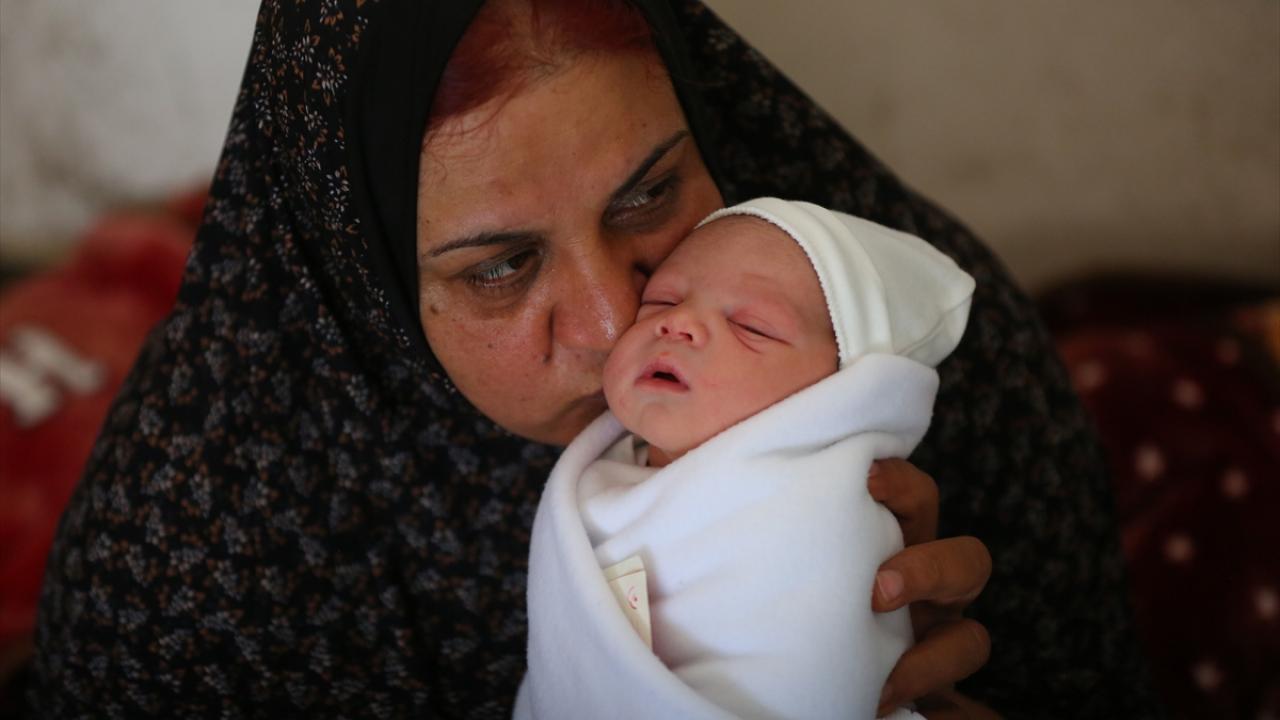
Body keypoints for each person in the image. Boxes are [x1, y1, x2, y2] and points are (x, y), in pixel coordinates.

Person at [25, 1, 1159, 718]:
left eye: (651, 193)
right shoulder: (192, 569)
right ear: (363, 286)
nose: (621, 321)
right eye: (500, 268)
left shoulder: (904, 344)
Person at [518, 198, 975, 719]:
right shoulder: (603, 473)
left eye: (753, 327)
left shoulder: (815, 508)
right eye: (660, 301)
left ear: (844, 392)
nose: (679, 322)